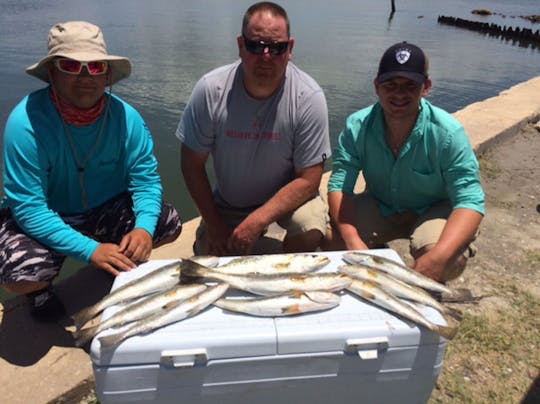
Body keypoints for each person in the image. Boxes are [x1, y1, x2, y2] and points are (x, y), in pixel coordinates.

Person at [0, 21, 182, 321]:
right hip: (48, 214)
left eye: (95, 67)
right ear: (52, 72)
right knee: (22, 273)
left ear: (107, 74)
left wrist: (143, 229)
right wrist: (90, 250)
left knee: (167, 223)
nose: (85, 76)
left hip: (106, 208)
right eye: (71, 65)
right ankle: (40, 292)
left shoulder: (127, 118)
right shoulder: (25, 123)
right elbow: (29, 208)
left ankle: (115, 261)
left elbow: (146, 181)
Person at [177, 2, 331, 256]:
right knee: (208, 253)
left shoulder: (308, 96)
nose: (266, 56)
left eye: (277, 47)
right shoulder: (210, 90)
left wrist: (259, 220)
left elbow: (309, 178)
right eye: (256, 46)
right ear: (240, 45)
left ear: (290, 49)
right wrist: (214, 224)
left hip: (288, 199)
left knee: (309, 227)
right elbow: (191, 164)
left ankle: (286, 272)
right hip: (230, 202)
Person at [327, 41, 485, 283]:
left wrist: (437, 259)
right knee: (331, 237)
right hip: (382, 203)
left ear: (426, 87)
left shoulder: (448, 133)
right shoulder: (357, 126)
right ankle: (379, 258)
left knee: (448, 259)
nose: (399, 94)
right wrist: (351, 238)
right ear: (377, 87)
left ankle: (425, 277)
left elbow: (470, 200)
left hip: (434, 208)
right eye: (390, 85)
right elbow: (340, 183)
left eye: (410, 85)